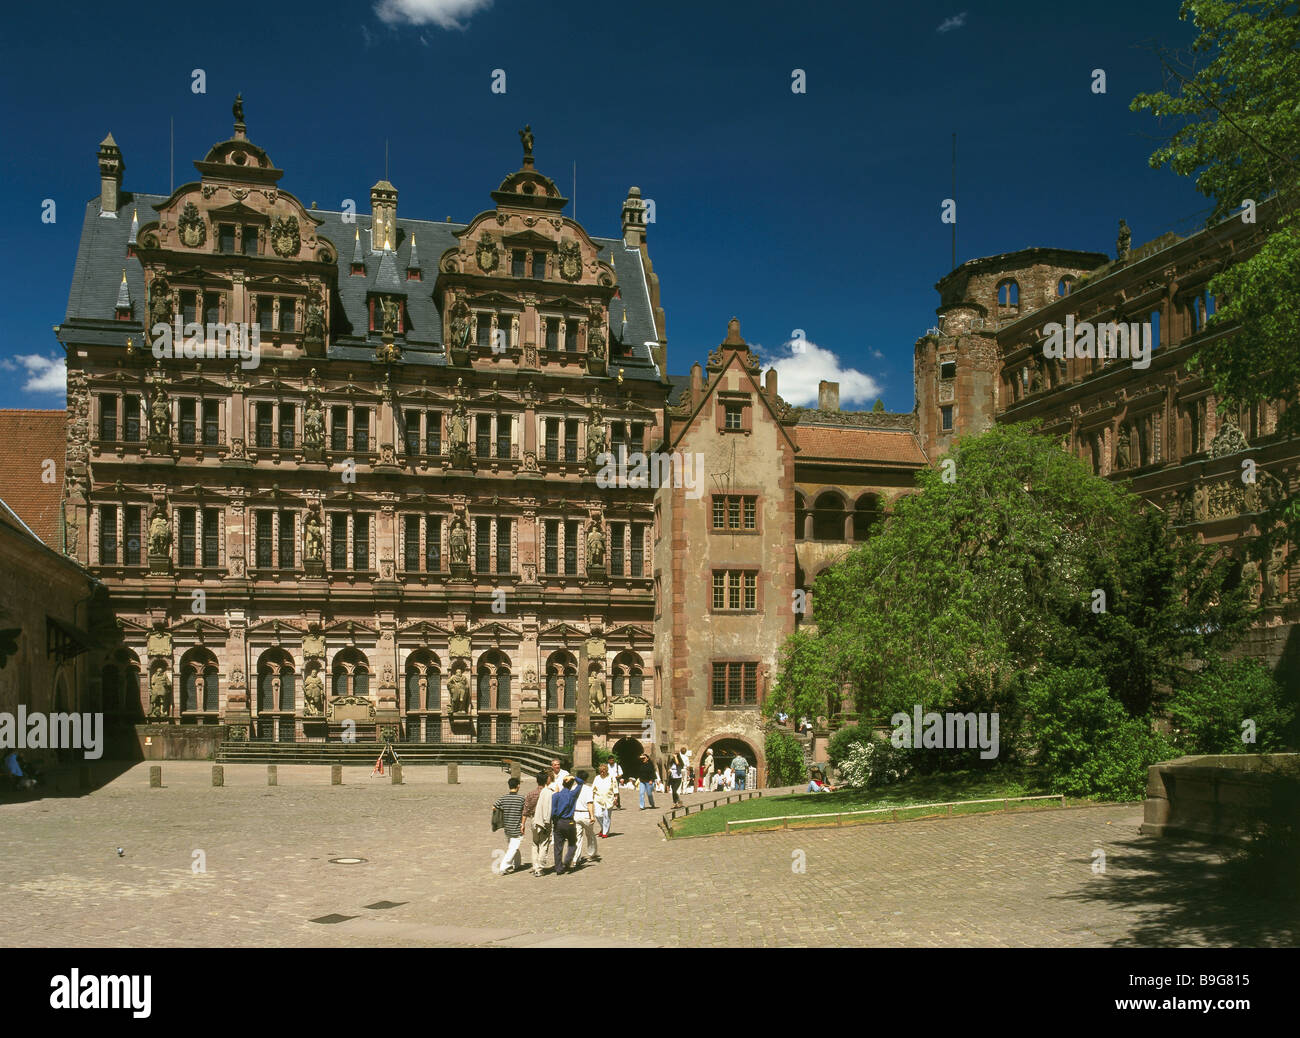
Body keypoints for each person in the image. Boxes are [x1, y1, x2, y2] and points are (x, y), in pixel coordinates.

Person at [493, 777, 526, 874]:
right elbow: (525, 811)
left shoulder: (503, 798)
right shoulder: (521, 799)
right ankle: (504, 867)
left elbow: (494, 806)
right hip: (517, 827)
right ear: (518, 786)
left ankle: (517, 864)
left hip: (507, 827)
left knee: (513, 846)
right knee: (513, 848)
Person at [550, 773, 581, 875]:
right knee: (572, 844)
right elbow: (581, 783)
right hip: (570, 821)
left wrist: (555, 822)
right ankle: (567, 861)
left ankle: (558, 868)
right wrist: (574, 777)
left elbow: (553, 812)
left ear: (562, 784)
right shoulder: (573, 794)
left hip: (559, 822)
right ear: (571, 785)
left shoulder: (556, 796)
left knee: (558, 847)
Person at [525, 769, 553, 876]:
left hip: (534, 820)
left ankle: (535, 865)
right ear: (546, 780)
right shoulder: (548, 792)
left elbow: (525, 811)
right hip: (544, 821)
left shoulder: (531, 793)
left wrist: (522, 824)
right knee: (543, 844)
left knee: (534, 844)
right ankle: (540, 868)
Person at [572, 770, 599, 865]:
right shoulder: (588, 789)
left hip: (575, 814)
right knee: (590, 835)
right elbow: (589, 803)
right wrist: (592, 815)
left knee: (577, 837)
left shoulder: (573, 788)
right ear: (586, 779)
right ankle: (592, 854)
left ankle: (575, 858)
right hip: (585, 814)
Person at [592, 762, 617, 837]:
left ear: (606, 770)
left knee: (607, 816)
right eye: (600, 771)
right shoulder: (597, 778)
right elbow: (593, 788)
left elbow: (615, 788)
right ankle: (603, 827)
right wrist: (591, 797)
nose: (602, 772)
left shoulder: (611, 778)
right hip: (598, 799)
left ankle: (605, 832)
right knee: (598, 814)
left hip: (608, 799)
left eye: (603, 771)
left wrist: (616, 797)